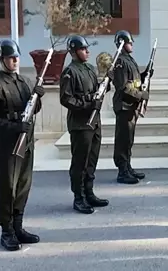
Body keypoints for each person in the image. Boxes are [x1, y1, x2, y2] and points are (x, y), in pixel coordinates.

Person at [0, 39, 45, 251]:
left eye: (16, 57)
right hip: (7, 145)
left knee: (23, 185)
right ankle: (6, 230)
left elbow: (32, 109)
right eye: (10, 58)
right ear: (1, 59)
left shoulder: (25, 82)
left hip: (26, 143)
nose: (15, 61)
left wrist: (38, 97)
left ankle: (18, 226)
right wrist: (14, 126)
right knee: (8, 187)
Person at [59, 35, 109, 213]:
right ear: (73, 52)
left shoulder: (89, 68)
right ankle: (78, 197)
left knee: (91, 160)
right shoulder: (69, 72)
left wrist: (106, 84)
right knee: (80, 162)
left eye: (87, 48)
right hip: (80, 124)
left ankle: (89, 192)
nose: (87, 52)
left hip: (94, 122)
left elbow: (96, 91)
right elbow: (66, 99)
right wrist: (87, 104)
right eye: (83, 49)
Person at [111, 30, 152, 184]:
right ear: (122, 43)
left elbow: (134, 80)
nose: (132, 44)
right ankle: (122, 171)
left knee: (128, 139)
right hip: (124, 105)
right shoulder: (120, 61)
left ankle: (127, 167)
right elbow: (123, 87)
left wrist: (145, 74)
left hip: (130, 106)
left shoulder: (128, 59)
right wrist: (141, 95)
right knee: (123, 140)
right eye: (129, 42)